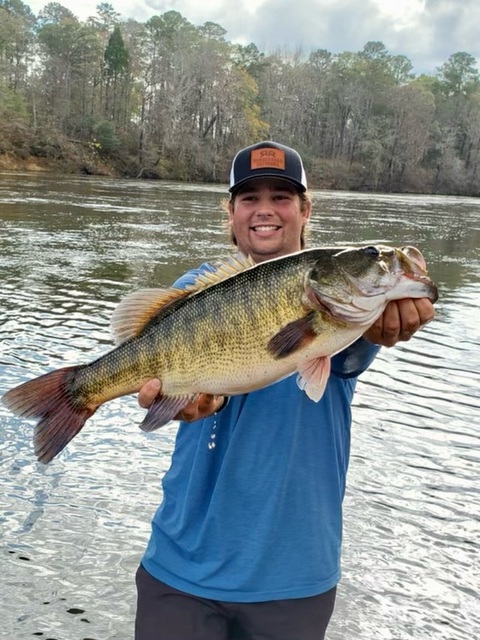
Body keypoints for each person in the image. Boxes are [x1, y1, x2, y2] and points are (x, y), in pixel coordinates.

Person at [134, 141, 435, 640]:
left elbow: (353, 357)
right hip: (182, 564)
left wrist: (395, 317)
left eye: (282, 196)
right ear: (230, 213)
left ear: (304, 210)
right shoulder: (195, 289)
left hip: (294, 575)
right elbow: (169, 384)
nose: (265, 210)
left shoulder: (350, 307)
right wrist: (187, 402)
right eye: (249, 198)